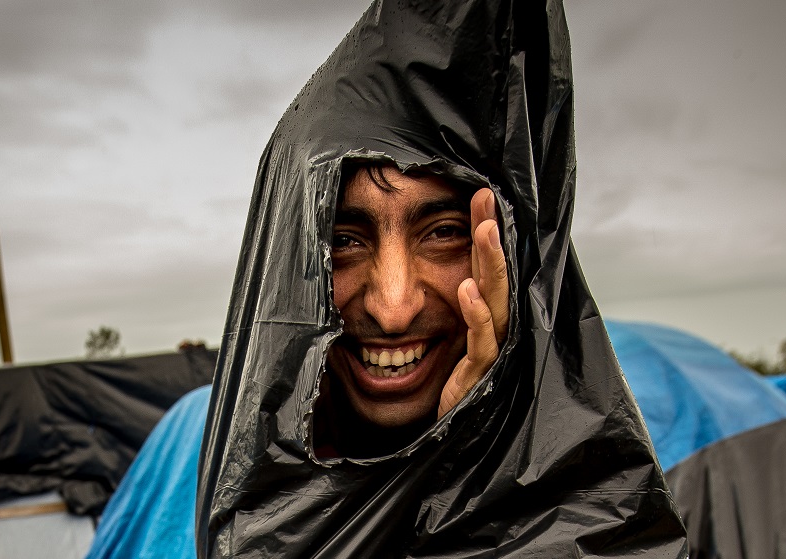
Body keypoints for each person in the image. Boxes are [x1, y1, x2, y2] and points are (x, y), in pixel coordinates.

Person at [196, 0, 689, 557]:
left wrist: (477, 446)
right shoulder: (252, 501)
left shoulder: (599, 525)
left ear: (517, 250)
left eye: (444, 232)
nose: (393, 305)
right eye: (343, 241)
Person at [314, 166, 510, 459]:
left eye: (444, 232)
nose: (392, 313)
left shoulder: (585, 485)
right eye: (343, 241)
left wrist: (473, 438)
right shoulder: (238, 492)